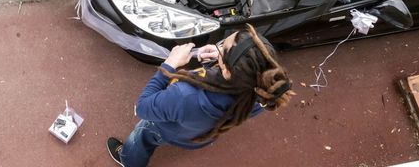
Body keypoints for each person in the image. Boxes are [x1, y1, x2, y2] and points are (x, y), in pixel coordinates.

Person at [107, 24, 295, 167]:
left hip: (166, 130)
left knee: (143, 134)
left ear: (228, 71)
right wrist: (216, 61)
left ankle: (129, 159)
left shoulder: (185, 95)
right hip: (201, 135)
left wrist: (168, 65)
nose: (218, 47)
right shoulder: (260, 92)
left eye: (222, 48)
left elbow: (143, 107)